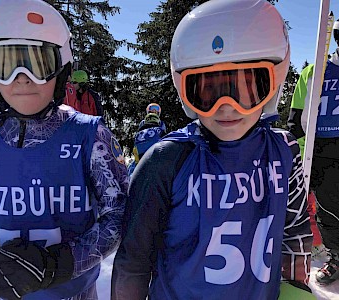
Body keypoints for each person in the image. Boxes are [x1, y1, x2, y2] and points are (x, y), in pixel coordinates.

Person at [111, 0, 314, 299]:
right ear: (184, 91)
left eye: (246, 88)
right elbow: (134, 259)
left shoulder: (284, 151)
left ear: (275, 82)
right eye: (207, 92)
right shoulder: (167, 159)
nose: (227, 108)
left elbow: (294, 228)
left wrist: (295, 286)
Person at [0, 0, 128, 299]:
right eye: (5, 64)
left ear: (60, 67)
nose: (22, 77)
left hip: (71, 293)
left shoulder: (88, 134)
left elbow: (119, 212)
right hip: (0, 291)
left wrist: (63, 262)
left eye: (38, 62)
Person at [287, 17, 339, 285]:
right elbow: (297, 120)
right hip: (322, 151)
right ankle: (337, 256)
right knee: (328, 210)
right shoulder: (315, 72)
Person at [127, 112, 167, 176]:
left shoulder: (138, 134)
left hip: (141, 160)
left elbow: (135, 150)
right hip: (155, 158)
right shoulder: (159, 130)